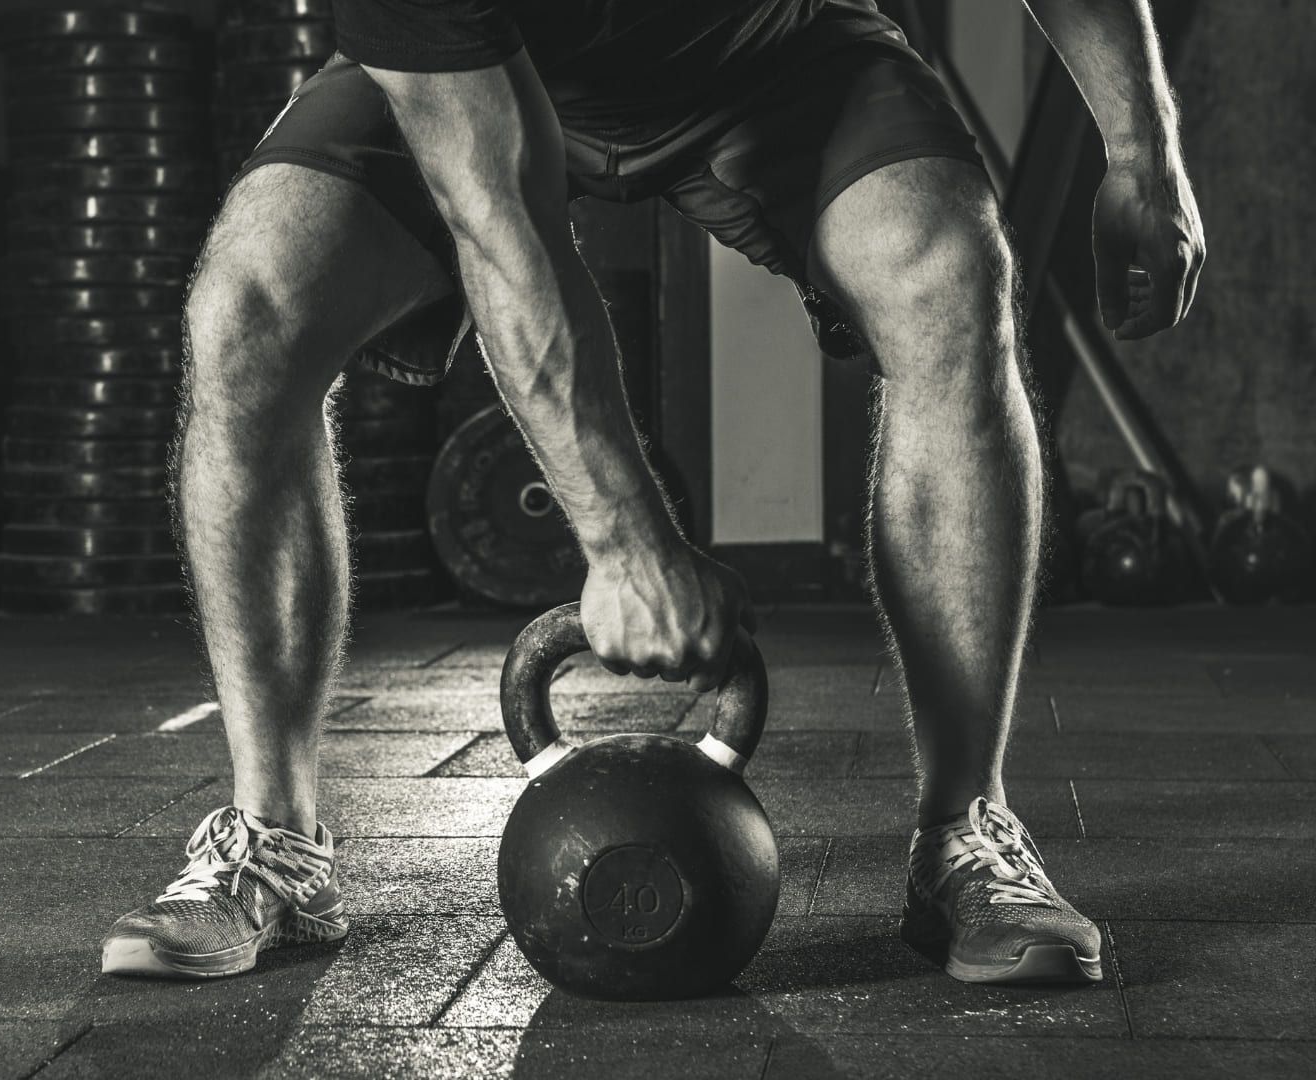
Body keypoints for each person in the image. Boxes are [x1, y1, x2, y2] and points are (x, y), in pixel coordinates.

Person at [100, 0, 1204, 986]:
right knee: (249, 307)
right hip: (492, 74)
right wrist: (624, 544)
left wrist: (1143, 150)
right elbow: (501, 223)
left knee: (951, 274)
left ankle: (966, 828)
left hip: (774, 44)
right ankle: (275, 844)